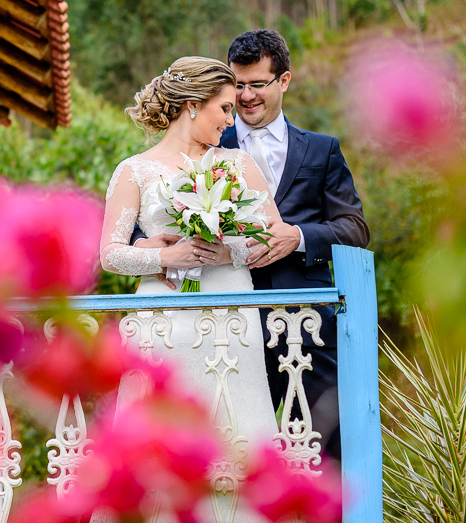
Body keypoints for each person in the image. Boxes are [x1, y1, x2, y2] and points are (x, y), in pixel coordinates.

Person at [134, 29, 369, 463]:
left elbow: (354, 228)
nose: (245, 97)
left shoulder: (322, 151)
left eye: (257, 84)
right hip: (220, 326)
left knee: (324, 449)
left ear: (284, 81)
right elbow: (154, 218)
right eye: (237, 85)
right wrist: (151, 246)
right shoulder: (204, 143)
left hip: (305, 324)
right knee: (226, 448)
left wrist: (297, 236)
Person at [100, 56, 282, 522]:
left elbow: (273, 234)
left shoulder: (238, 164)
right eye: (223, 108)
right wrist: (164, 255)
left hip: (231, 322)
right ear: (191, 105)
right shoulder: (134, 171)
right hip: (165, 327)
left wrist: (223, 253)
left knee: (237, 434)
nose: (231, 117)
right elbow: (111, 253)